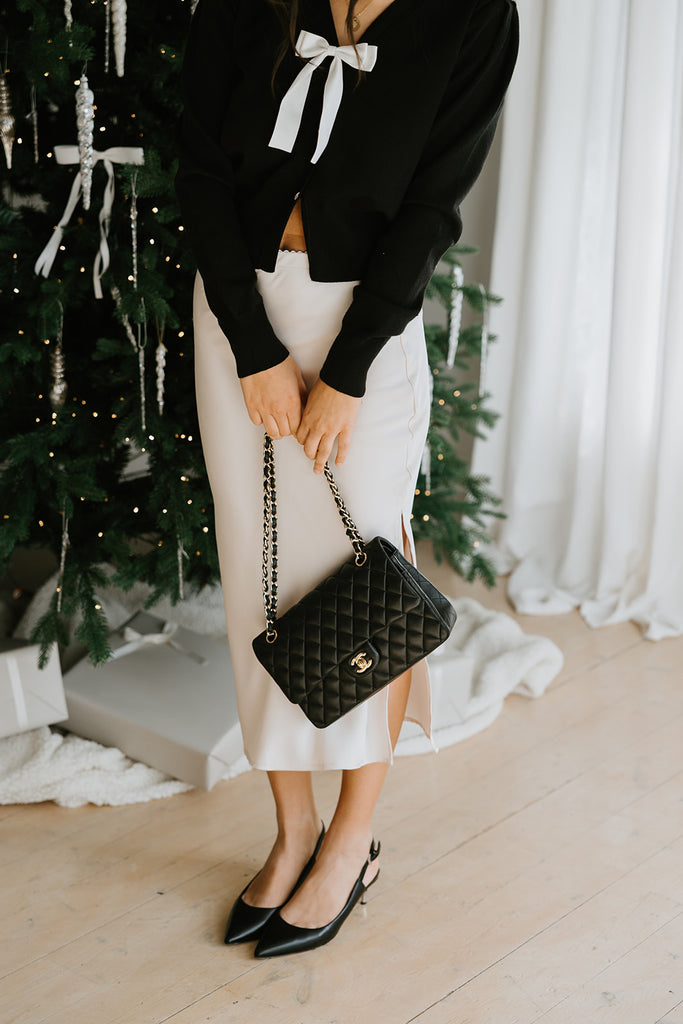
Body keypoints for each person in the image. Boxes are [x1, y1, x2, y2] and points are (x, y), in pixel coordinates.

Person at [176, 0, 519, 958]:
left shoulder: (474, 16)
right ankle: (290, 832)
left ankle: (351, 839)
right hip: (238, 315)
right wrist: (250, 346)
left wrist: (348, 373)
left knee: (367, 576)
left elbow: (430, 205)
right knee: (260, 573)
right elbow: (201, 166)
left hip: (362, 330)